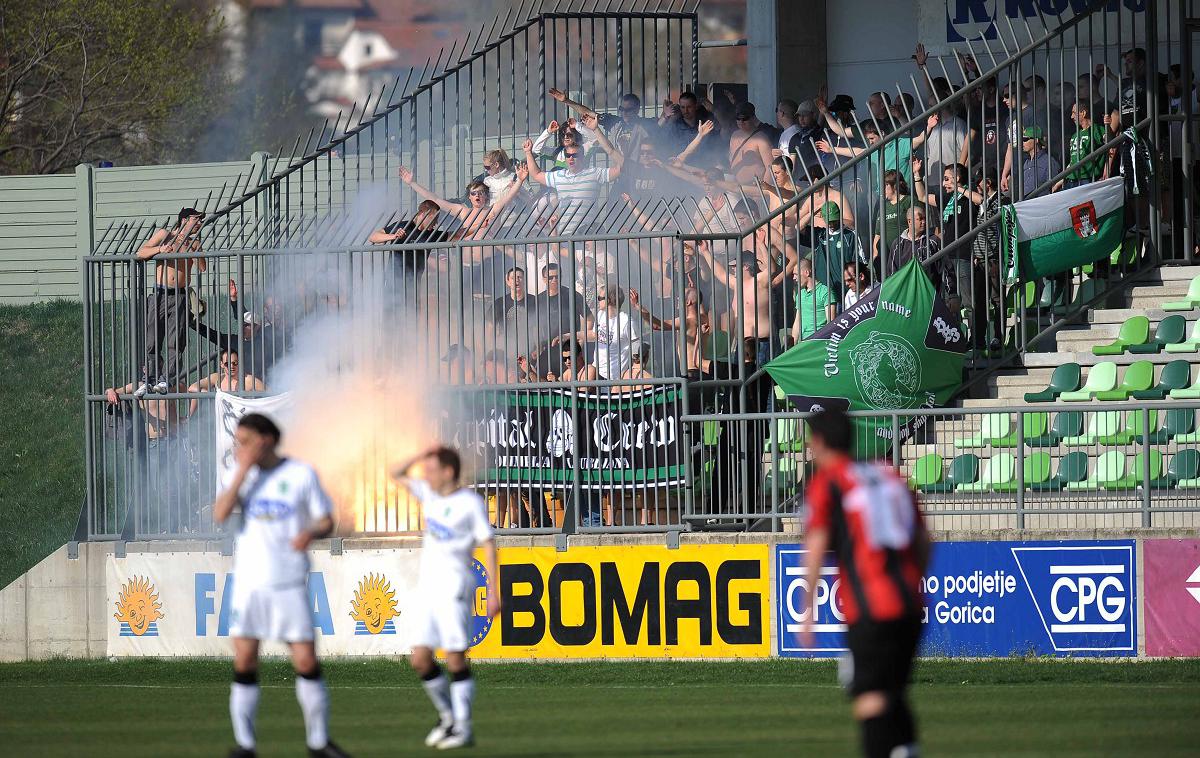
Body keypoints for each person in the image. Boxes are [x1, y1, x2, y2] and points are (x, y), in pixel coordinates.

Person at [212, 413, 348, 758]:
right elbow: (220, 513)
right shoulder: (239, 475)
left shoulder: (300, 474)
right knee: (245, 659)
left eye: (245, 441)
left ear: (266, 439)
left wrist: (311, 532)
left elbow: (326, 519)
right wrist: (243, 469)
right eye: (237, 441)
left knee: (305, 660)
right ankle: (245, 745)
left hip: (288, 580)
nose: (238, 447)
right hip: (250, 583)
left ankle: (319, 743)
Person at [799, 407, 930, 758]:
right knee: (892, 695)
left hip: (871, 608)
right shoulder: (888, 474)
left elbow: (814, 549)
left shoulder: (828, 483)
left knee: (870, 699)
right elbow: (922, 541)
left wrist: (807, 611)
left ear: (821, 442)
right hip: (910, 607)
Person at [391, 446, 500, 751]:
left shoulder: (469, 503)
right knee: (420, 659)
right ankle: (448, 717)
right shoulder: (430, 495)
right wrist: (422, 453)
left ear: (448, 472)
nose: (425, 475)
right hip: (428, 588)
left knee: (455, 658)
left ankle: (463, 727)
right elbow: (395, 473)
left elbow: (488, 544)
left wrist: (494, 591)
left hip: (455, 587)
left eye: (431, 469)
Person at [134, 207, 207, 397]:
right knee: (151, 340)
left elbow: (202, 268)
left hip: (180, 296)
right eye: (196, 219)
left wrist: (195, 251)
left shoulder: (194, 242)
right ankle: (149, 379)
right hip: (159, 294)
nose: (199, 223)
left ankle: (166, 379)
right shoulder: (165, 234)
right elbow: (140, 252)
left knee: (176, 340)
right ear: (184, 220)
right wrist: (160, 249)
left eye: (200, 220)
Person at [523, 112, 624, 234]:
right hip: (559, 195)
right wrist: (548, 132)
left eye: (569, 134)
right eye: (563, 134)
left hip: (585, 224)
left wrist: (578, 126)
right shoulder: (557, 152)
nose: (566, 137)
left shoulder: (585, 148)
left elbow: (596, 139)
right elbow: (536, 150)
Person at [368, 200, 448, 281]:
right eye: (434, 218)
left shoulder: (431, 234)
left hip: (414, 285)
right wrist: (394, 236)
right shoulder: (404, 226)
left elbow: (457, 235)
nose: (436, 223)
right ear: (423, 213)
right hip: (394, 285)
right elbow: (373, 237)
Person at [185, 348, 265, 418]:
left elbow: (270, 394)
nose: (231, 366)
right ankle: (189, 418)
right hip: (222, 422)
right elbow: (192, 388)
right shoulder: (217, 378)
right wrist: (211, 394)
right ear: (221, 364)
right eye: (227, 364)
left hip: (243, 423)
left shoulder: (249, 380)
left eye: (235, 363)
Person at [1054, 102, 1107, 192]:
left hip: (1087, 178)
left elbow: (1110, 141)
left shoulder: (1096, 129)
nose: (1071, 117)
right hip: (1070, 180)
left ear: (1083, 113)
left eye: (1074, 113)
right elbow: (1072, 161)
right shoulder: (1075, 135)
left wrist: (1108, 126)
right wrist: (1060, 180)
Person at [791, 257, 836, 343]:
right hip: (802, 344)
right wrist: (792, 346)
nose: (794, 278)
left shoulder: (825, 291)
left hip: (818, 342)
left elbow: (831, 323)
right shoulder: (800, 294)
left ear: (807, 273)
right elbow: (797, 322)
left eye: (796, 274)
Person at [1017, 126, 1060, 199]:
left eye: (1025, 139)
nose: (1022, 143)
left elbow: (1054, 189)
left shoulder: (1049, 161)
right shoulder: (1026, 163)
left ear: (1036, 140)